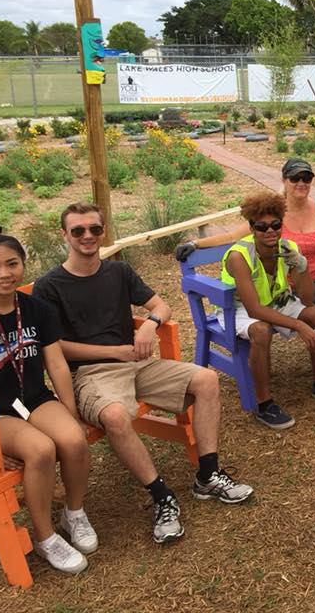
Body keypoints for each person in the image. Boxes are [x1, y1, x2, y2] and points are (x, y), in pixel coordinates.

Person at [34, 203, 253, 545]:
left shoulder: (118, 272)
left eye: (94, 229)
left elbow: (161, 305)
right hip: (92, 374)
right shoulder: (49, 286)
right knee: (117, 416)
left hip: (137, 364)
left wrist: (150, 325)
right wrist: (114, 351)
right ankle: (161, 496)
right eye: (78, 230)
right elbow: (56, 347)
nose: (87, 236)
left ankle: (208, 475)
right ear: (65, 235)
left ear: (103, 231)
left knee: (206, 380)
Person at [177, 158, 315, 390]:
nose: (301, 182)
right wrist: (196, 243)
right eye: (295, 178)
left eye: (307, 178)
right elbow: (231, 237)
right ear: (284, 180)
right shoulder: (271, 215)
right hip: (296, 289)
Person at [0, 225, 94, 574]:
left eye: (12, 264)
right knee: (41, 450)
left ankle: (73, 513)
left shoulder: (36, 308)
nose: (4, 273)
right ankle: (45, 539)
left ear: (23, 265)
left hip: (33, 398)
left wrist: (70, 412)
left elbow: (56, 362)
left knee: (73, 439)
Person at [220, 192, 315, 430]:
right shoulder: (240, 256)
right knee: (261, 331)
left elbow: (308, 299)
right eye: (262, 226)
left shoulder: (288, 248)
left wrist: (301, 265)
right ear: (251, 227)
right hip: (239, 308)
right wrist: (299, 326)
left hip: (276, 300)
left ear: (282, 224)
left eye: (276, 224)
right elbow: (254, 308)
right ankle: (264, 403)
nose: (270, 231)